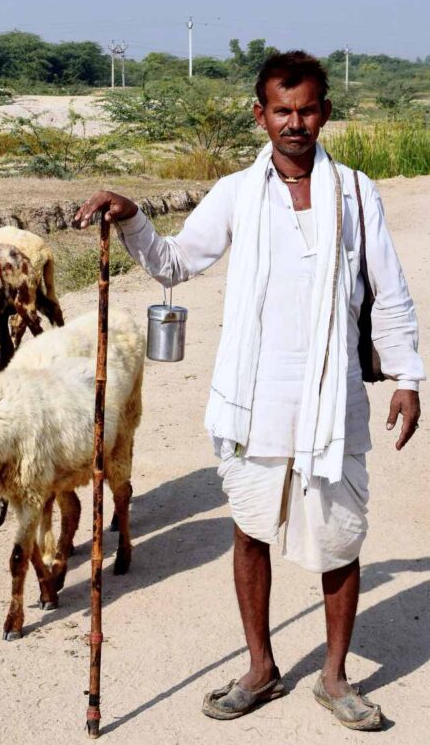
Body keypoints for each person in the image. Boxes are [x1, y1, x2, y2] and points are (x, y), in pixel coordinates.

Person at [74, 51, 424, 731]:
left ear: (325, 111)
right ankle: (261, 666)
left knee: (341, 538)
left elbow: (390, 292)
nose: (296, 123)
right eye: (282, 110)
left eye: (308, 109)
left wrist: (407, 375)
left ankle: (333, 674)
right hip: (254, 400)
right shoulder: (238, 192)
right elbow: (177, 259)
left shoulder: (356, 192)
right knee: (251, 529)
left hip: (331, 401)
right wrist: (133, 215)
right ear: (260, 114)